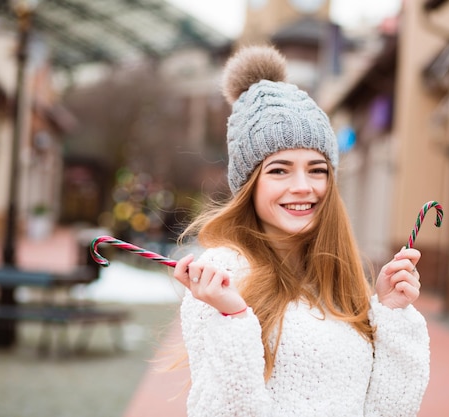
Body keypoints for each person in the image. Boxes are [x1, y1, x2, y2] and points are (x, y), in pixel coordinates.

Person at [173, 45, 430, 417]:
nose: (303, 186)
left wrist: (393, 314)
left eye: (316, 169)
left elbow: (391, 410)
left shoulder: (341, 277)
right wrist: (232, 319)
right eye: (279, 170)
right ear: (250, 184)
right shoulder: (220, 276)